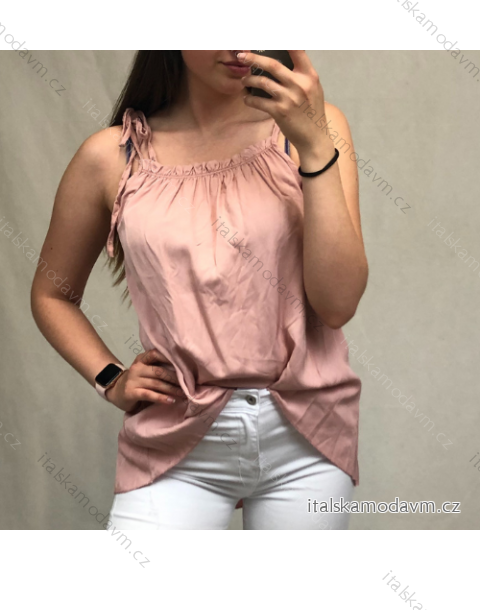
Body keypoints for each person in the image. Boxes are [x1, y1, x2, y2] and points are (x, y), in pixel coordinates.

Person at [31, 50, 369, 530]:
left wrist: (315, 146)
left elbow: (338, 305)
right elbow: (52, 295)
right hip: (173, 436)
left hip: (307, 438)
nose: (237, 47)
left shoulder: (316, 128)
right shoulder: (111, 156)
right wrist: (111, 378)